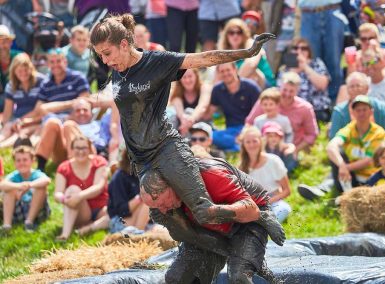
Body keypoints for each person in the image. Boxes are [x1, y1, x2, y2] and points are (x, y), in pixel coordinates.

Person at [90, 13, 275, 225]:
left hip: (165, 149)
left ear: (123, 44)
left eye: (106, 53)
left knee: (204, 211)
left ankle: (258, 215)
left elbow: (205, 58)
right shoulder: (118, 70)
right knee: (162, 216)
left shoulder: (157, 62)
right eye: (100, 56)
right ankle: (204, 252)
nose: (104, 61)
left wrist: (247, 52)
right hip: (140, 158)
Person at [140, 157, 285, 283]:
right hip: (208, 231)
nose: (163, 210)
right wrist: (174, 223)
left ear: (170, 186)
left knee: (239, 276)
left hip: (249, 218)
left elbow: (252, 210)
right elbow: (187, 236)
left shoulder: (210, 174)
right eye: (156, 207)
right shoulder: (161, 207)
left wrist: (214, 211)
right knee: (176, 277)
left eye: (163, 204)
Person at [35, 98, 119, 172]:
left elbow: (118, 102)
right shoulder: (68, 122)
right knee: (52, 122)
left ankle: (75, 171)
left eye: (85, 110)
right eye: (78, 110)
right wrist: (71, 103)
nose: (81, 112)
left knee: (68, 125)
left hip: (91, 153)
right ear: (72, 114)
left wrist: (96, 103)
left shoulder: (101, 123)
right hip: (66, 153)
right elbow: (42, 109)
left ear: (91, 112)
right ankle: (40, 168)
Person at [247, 71, 319, 155]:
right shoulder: (267, 100)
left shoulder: (305, 108)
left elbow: (312, 134)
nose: (287, 94)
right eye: (285, 90)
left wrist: (296, 149)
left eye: (291, 91)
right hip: (264, 149)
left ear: (297, 91)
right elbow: (249, 123)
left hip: (290, 148)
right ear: (280, 87)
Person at [327, 95, 385, 192]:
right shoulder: (349, 129)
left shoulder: (379, 133)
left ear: (371, 112)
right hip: (351, 174)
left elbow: (368, 160)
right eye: (358, 110)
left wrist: (345, 167)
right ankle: (345, 192)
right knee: (338, 155)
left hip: (372, 177)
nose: (361, 113)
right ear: (352, 112)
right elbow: (331, 146)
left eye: (364, 109)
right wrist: (341, 165)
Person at [54, 135, 109, 241]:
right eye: (77, 148)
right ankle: (65, 235)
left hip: (101, 209)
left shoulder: (99, 162)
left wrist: (79, 196)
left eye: (84, 148)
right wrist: (65, 199)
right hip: (81, 211)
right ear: (72, 150)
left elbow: (98, 187)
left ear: (89, 149)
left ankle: (88, 228)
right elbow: (57, 193)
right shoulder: (64, 167)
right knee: (72, 189)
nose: (80, 151)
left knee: (117, 215)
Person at [239, 126, 292, 222]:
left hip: (273, 201)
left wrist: (267, 202)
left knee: (284, 209)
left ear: (260, 141)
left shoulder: (273, 160)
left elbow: (287, 190)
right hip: (251, 205)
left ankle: (265, 226)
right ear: (243, 144)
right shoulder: (240, 167)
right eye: (248, 142)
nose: (252, 145)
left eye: (254, 141)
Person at [205, 62, 261, 152]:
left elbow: (260, 111)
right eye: (222, 71)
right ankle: (239, 145)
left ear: (235, 69)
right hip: (230, 130)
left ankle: (238, 145)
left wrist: (247, 130)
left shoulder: (251, 87)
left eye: (228, 70)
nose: (225, 73)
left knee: (252, 136)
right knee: (210, 136)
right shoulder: (217, 90)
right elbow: (209, 113)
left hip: (249, 128)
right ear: (219, 73)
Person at [298, 0, 345, 101]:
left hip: (332, 10)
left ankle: (334, 103)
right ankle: (314, 103)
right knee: (311, 60)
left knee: (333, 60)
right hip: (308, 12)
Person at [329, 72, 385, 142]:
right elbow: (334, 138)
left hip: (379, 149)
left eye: (358, 86)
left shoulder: (381, 107)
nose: (355, 89)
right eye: (352, 86)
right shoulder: (339, 111)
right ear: (347, 90)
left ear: (367, 88)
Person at [279, 37, 331, 122]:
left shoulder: (316, 63)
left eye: (304, 48)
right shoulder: (286, 68)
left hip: (317, 110)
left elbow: (322, 85)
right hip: (292, 110)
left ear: (309, 51)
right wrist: (293, 73)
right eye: (295, 48)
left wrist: (305, 67)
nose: (299, 51)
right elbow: (281, 91)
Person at [0, 146, 51, 232]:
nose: (22, 163)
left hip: (37, 210)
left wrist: (29, 185)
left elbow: (47, 180)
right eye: (18, 160)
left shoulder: (36, 174)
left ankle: (29, 222)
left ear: (32, 161)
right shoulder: (14, 175)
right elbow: (2, 185)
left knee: (41, 188)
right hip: (19, 210)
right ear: (14, 163)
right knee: (8, 190)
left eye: (25, 160)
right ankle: (7, 225)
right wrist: (19, 186)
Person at [0, 53, 45, 148]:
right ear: (14, 71)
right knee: (7, 127)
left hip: (35, 119)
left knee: (21, 131)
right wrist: (5, 124)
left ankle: (2, 146)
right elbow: (8, 110)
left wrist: (20, 121)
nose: (23, 73)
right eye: (20, 71)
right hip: (18, 117)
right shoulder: (11, 85)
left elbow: (38, 110)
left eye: (26, 70)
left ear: (31, 68)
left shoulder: (41, 81)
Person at [218, 18, 276, 88]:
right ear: (226, 35)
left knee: (251, 74)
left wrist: (233, 84)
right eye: (231, 33)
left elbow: (251, 65)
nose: (235, 35)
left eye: (239, 32)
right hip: (239, 86)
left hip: (266, 85)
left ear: (244, 34)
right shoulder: (224, 51)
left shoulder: (252, 43)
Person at [108, 146, 150, 234]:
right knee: (147, 202)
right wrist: (139, 198)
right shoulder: (119, 177)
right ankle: (139, 238)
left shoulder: (144, 174)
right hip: (120, 222)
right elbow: (120, 210)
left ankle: (139, 234)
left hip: (141, 220)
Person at [360, 48, 385, 128]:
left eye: (373, 62)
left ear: (382, 61)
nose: (369, 66)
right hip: (368, 133)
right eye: (366, 64)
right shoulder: (363, 84)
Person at [169, 68, 211, 135]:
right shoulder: (176, 93)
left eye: (190, 76)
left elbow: (203, 106)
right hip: (183, 125)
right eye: (184, 77)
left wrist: (191, 120)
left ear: (196, 76)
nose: (187, 80)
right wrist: (184, 122)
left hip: (201, 123)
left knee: (189, 111)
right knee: (173, 117)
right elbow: (180, 113)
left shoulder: (204, 87)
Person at [0, 25, 21, 111]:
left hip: (20, 96)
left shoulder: (19, 57)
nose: (1, 46)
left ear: (11, 42)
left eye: (4, 42)